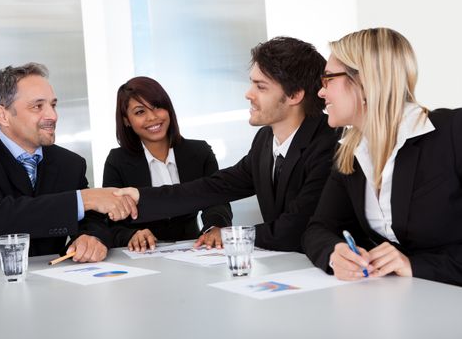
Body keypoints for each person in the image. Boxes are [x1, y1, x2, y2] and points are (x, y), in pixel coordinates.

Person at [115, 37, 340, 252]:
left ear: (295, 95)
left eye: (261, 87)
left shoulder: (329, 144)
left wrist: (230, 235)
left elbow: (293, 230)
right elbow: (216, 186)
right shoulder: (265, 139)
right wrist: (140, 197)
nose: (248, 94)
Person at [302, 27, 462, 286]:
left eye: (328, 79)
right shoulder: (350, 154)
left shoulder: (452, 133)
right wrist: (335, 253)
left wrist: (415, 265)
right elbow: (318, 228)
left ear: (364, 81)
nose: (321, 92)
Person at [0, 63, 136, 264]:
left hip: (52, 281)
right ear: (3, 115)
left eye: (53, 105)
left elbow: (91, 219)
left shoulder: (70, 163)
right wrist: (84, 199)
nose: (53, 116)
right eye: (37, 106)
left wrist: (90, 237)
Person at [102, 76, 232, 252]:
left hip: (194, 250)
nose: (152, 117)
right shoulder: (117, 161)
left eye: (157, 107)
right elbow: (109, 220)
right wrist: (130, 235)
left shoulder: (200, 152)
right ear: (126, 120)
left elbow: (216, 200)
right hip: (143, 255)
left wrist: (215, 227)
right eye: (140, 112)